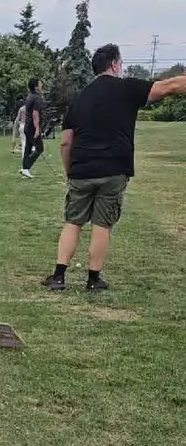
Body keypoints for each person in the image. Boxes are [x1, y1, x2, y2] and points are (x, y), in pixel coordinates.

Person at [42, 43, 186, 291]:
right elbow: (168, 87)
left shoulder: (79, 97)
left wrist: (69, 171)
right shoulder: (128, 88)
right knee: (102, 224)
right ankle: (93, 279)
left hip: (82, 169)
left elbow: (66, 141)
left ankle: (58, 276)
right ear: (115, 64)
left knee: (72, 222)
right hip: (114, 169)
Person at [21, 77, 44, 177]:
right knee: (39, 148)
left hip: (27, 126)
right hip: (32, 127)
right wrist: (37, 129)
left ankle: (25, 169)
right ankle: (26, 166)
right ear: (36, 87)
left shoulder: (29, 97)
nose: (41, 85)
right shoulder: (37, 98)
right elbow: (35, 114)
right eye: (40, 84)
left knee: (28, 148)